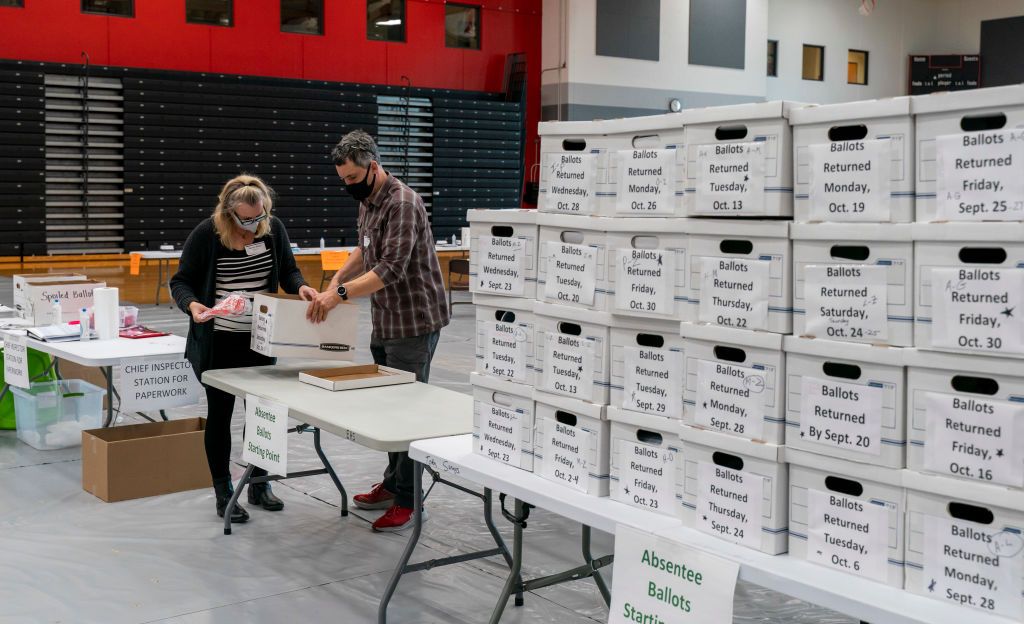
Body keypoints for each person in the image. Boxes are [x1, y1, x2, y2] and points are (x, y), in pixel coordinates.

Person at [307, 129, 450, 532]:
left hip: (414, 321)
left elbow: (390, 267)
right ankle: (392, 483)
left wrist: (339, 295)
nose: (348, 186)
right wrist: (337, 277)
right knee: (388, 409)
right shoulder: (368, 201)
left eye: (352, 178)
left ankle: (408, 499)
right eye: (343, 181)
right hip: (385, 319)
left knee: (407, 412)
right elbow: (364, 249)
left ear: (373, 166)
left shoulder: (403, 203)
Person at [171, 174, 317, 523]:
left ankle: (259, 483)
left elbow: (289, 272)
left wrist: (303, 289)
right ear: (228, 213)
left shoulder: (273, 229)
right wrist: (193, 306)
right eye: (247, 219)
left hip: (260, 340)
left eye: (260, 216)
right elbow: (181, 281)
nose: (254, 224)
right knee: (220, 416)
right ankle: (224, 492)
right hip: (218, 344)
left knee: (262, 414)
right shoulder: (206, 234)